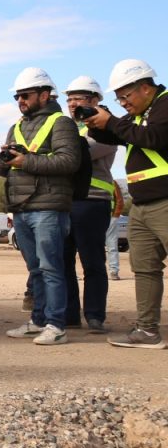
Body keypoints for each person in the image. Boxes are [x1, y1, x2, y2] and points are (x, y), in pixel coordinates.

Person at [83, 59, 168, 349]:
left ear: (145, 88)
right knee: (144, 268)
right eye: (117, 98)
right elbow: (122, 136)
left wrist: (113, 122)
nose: (122, 103)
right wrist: (96, 125)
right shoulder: (138, 116)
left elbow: (154, 138)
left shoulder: (165, 106)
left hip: (166, 202)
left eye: (125, 96)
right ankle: (147, 330)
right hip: (142, 205)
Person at [0, 67, 80, 346]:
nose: (20, 100)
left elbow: (69, 162)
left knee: (51, 268)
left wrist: (25, 161)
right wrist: (5, 158)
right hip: (21, 209)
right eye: (17, 96)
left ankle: (56, 325)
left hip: (48, 208)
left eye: (25, 94)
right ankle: (38, 320)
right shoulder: (16, 126)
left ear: (44, 94)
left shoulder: (61, 123)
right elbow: (2, 170)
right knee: (35, 270)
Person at [63, 76, 115, 333]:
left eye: (78, 99)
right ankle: (70, 314)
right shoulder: (69, 128)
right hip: (66, 201)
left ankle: (95, 316)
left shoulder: (106, 127)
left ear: (95, 100)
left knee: (92, 261)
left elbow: (78, 155)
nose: (72, 104)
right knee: (63, 261)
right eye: (69, 99)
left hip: (93, 202)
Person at [107, 185, 124, 280]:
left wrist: (115, 215)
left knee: (112, 245)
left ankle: (114, 271)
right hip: (93, 217)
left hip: (110, 218)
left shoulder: (113, 183)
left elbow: (120, 200)